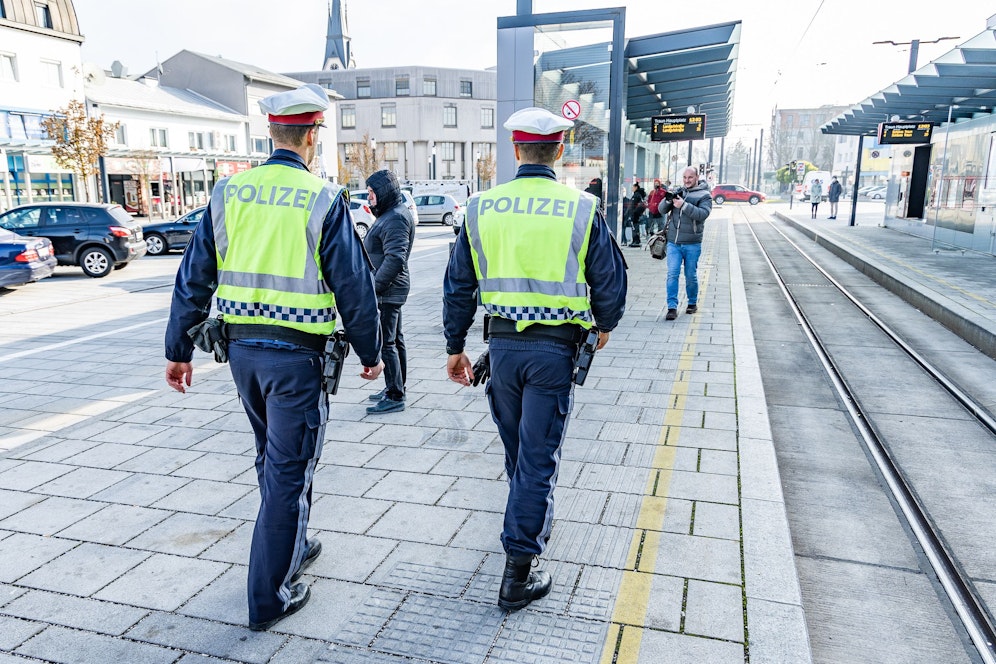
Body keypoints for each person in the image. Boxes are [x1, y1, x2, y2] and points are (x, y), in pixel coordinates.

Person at [163, 84, 384, 632]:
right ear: (312, 135)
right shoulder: (324, 198)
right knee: (289, 468)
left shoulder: (227, 193)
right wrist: (372, 353)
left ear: (272, 132)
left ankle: (294, 543)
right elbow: (354, 287)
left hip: (241, 356)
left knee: (274, 455)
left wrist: (178, 350)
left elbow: (193, 276)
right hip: (298, 360)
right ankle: (270, 596)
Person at [442, 107, 627, 612]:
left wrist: (454, 347)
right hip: (554, 352)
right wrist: (604, 325)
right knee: (538, 459)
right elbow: (610, 282)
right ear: (559, 151)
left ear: (516, 150)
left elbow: (458, 285)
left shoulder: (481, 208)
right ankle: (517, 575)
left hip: (500, 352)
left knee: (521, 455)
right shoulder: (582, 209)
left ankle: (528, 518)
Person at [364, 169, 416, 414]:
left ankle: (395, 395)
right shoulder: (390, 214)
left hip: (388, 290)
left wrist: (373, 288)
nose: (369, 197)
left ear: (384, 191)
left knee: (387, 343)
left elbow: (395, 259)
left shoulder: (395, 218)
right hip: (390, 289)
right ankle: (396, 387)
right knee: (396, 340)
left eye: (372, 192)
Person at [658, 166, 713, 321]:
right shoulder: (679, 191)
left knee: (690, 275)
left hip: (692, 243)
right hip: (674, 242)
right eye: (684, 177)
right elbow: (661, 210)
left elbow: (703, 214)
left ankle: (692, 302)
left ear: (697, 177)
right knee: (672, 274)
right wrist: (668, 199)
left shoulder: (705, 195)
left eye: (690, 177)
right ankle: (672, 307)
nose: (687, 180)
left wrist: (683, 205)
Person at [628, 182, 646, 247]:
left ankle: (636, 241)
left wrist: (632, 213)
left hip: (635, 215)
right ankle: (635, 240)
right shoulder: (638, 195)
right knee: (635, 227)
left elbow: (633, 205)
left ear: (636, 187)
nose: (632, 188)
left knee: (634, 227)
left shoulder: (636, 195)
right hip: (636, 214)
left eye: (633, 187)